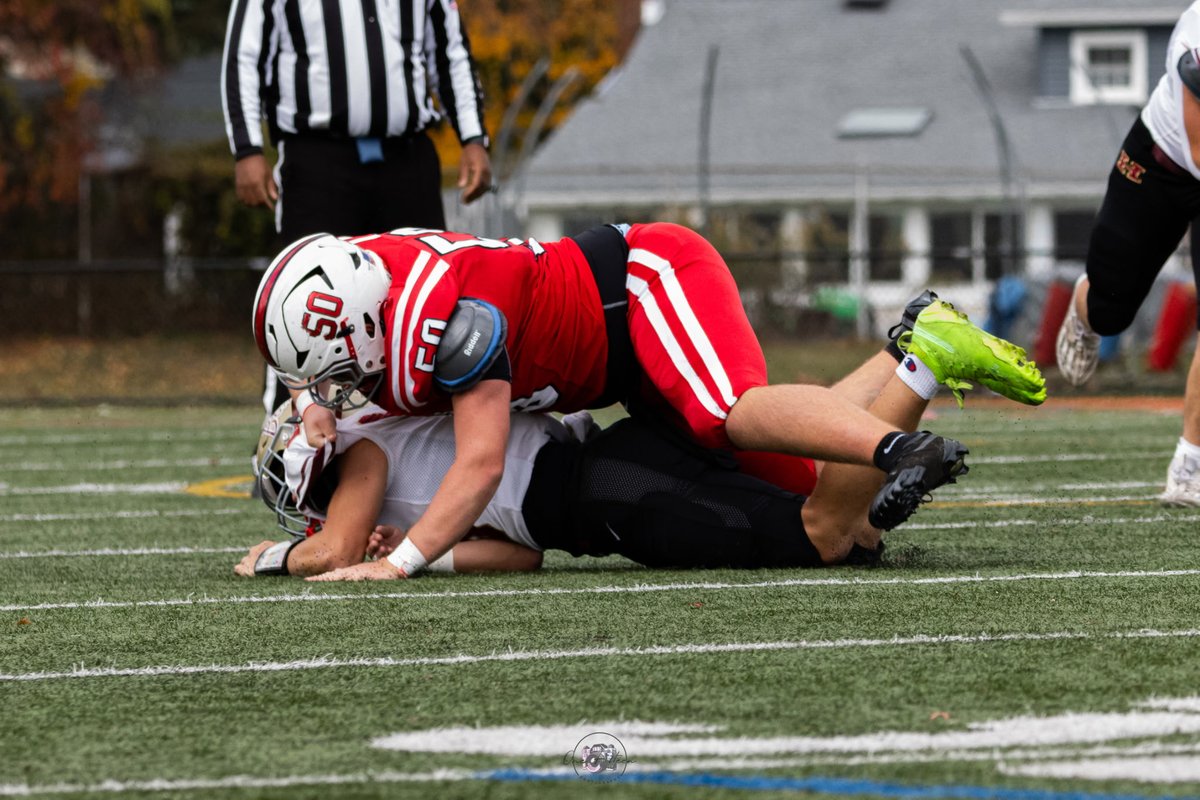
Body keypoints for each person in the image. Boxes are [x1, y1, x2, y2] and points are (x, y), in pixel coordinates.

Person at [251, 222, 1046, 580]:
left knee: (726, 414)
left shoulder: (440, 319)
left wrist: (399, 560)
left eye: (325, 379)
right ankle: (909, 353)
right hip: (607, 398)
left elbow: (483, 462)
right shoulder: (364, 292)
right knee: (805, 488)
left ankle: (895, 429)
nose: (322, 395)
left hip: (636, 294)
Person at [239, 323, 1030, 580]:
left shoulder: (360, 452)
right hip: (599, 481)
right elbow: (522, 558)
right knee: (852, 533)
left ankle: (921, 361)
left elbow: (339, 544)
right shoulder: (376, 448)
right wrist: (426, 552)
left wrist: (280, 559)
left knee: (823, 534)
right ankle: (898, 359)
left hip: (609, 490)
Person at [221, 0, 493, 413]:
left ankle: (431, 434)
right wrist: (247, 148)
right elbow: (243, 58)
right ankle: (292, 437)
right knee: (299, 295)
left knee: (428, 293)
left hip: (408, 156)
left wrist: (473, 136)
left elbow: (450, 51)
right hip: (318, 159)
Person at [1057, 0, 1200, 507]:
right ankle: (1084, 309)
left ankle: (1190, 465)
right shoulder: (1197, 35)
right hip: (1164, 163)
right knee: (1111, 310)